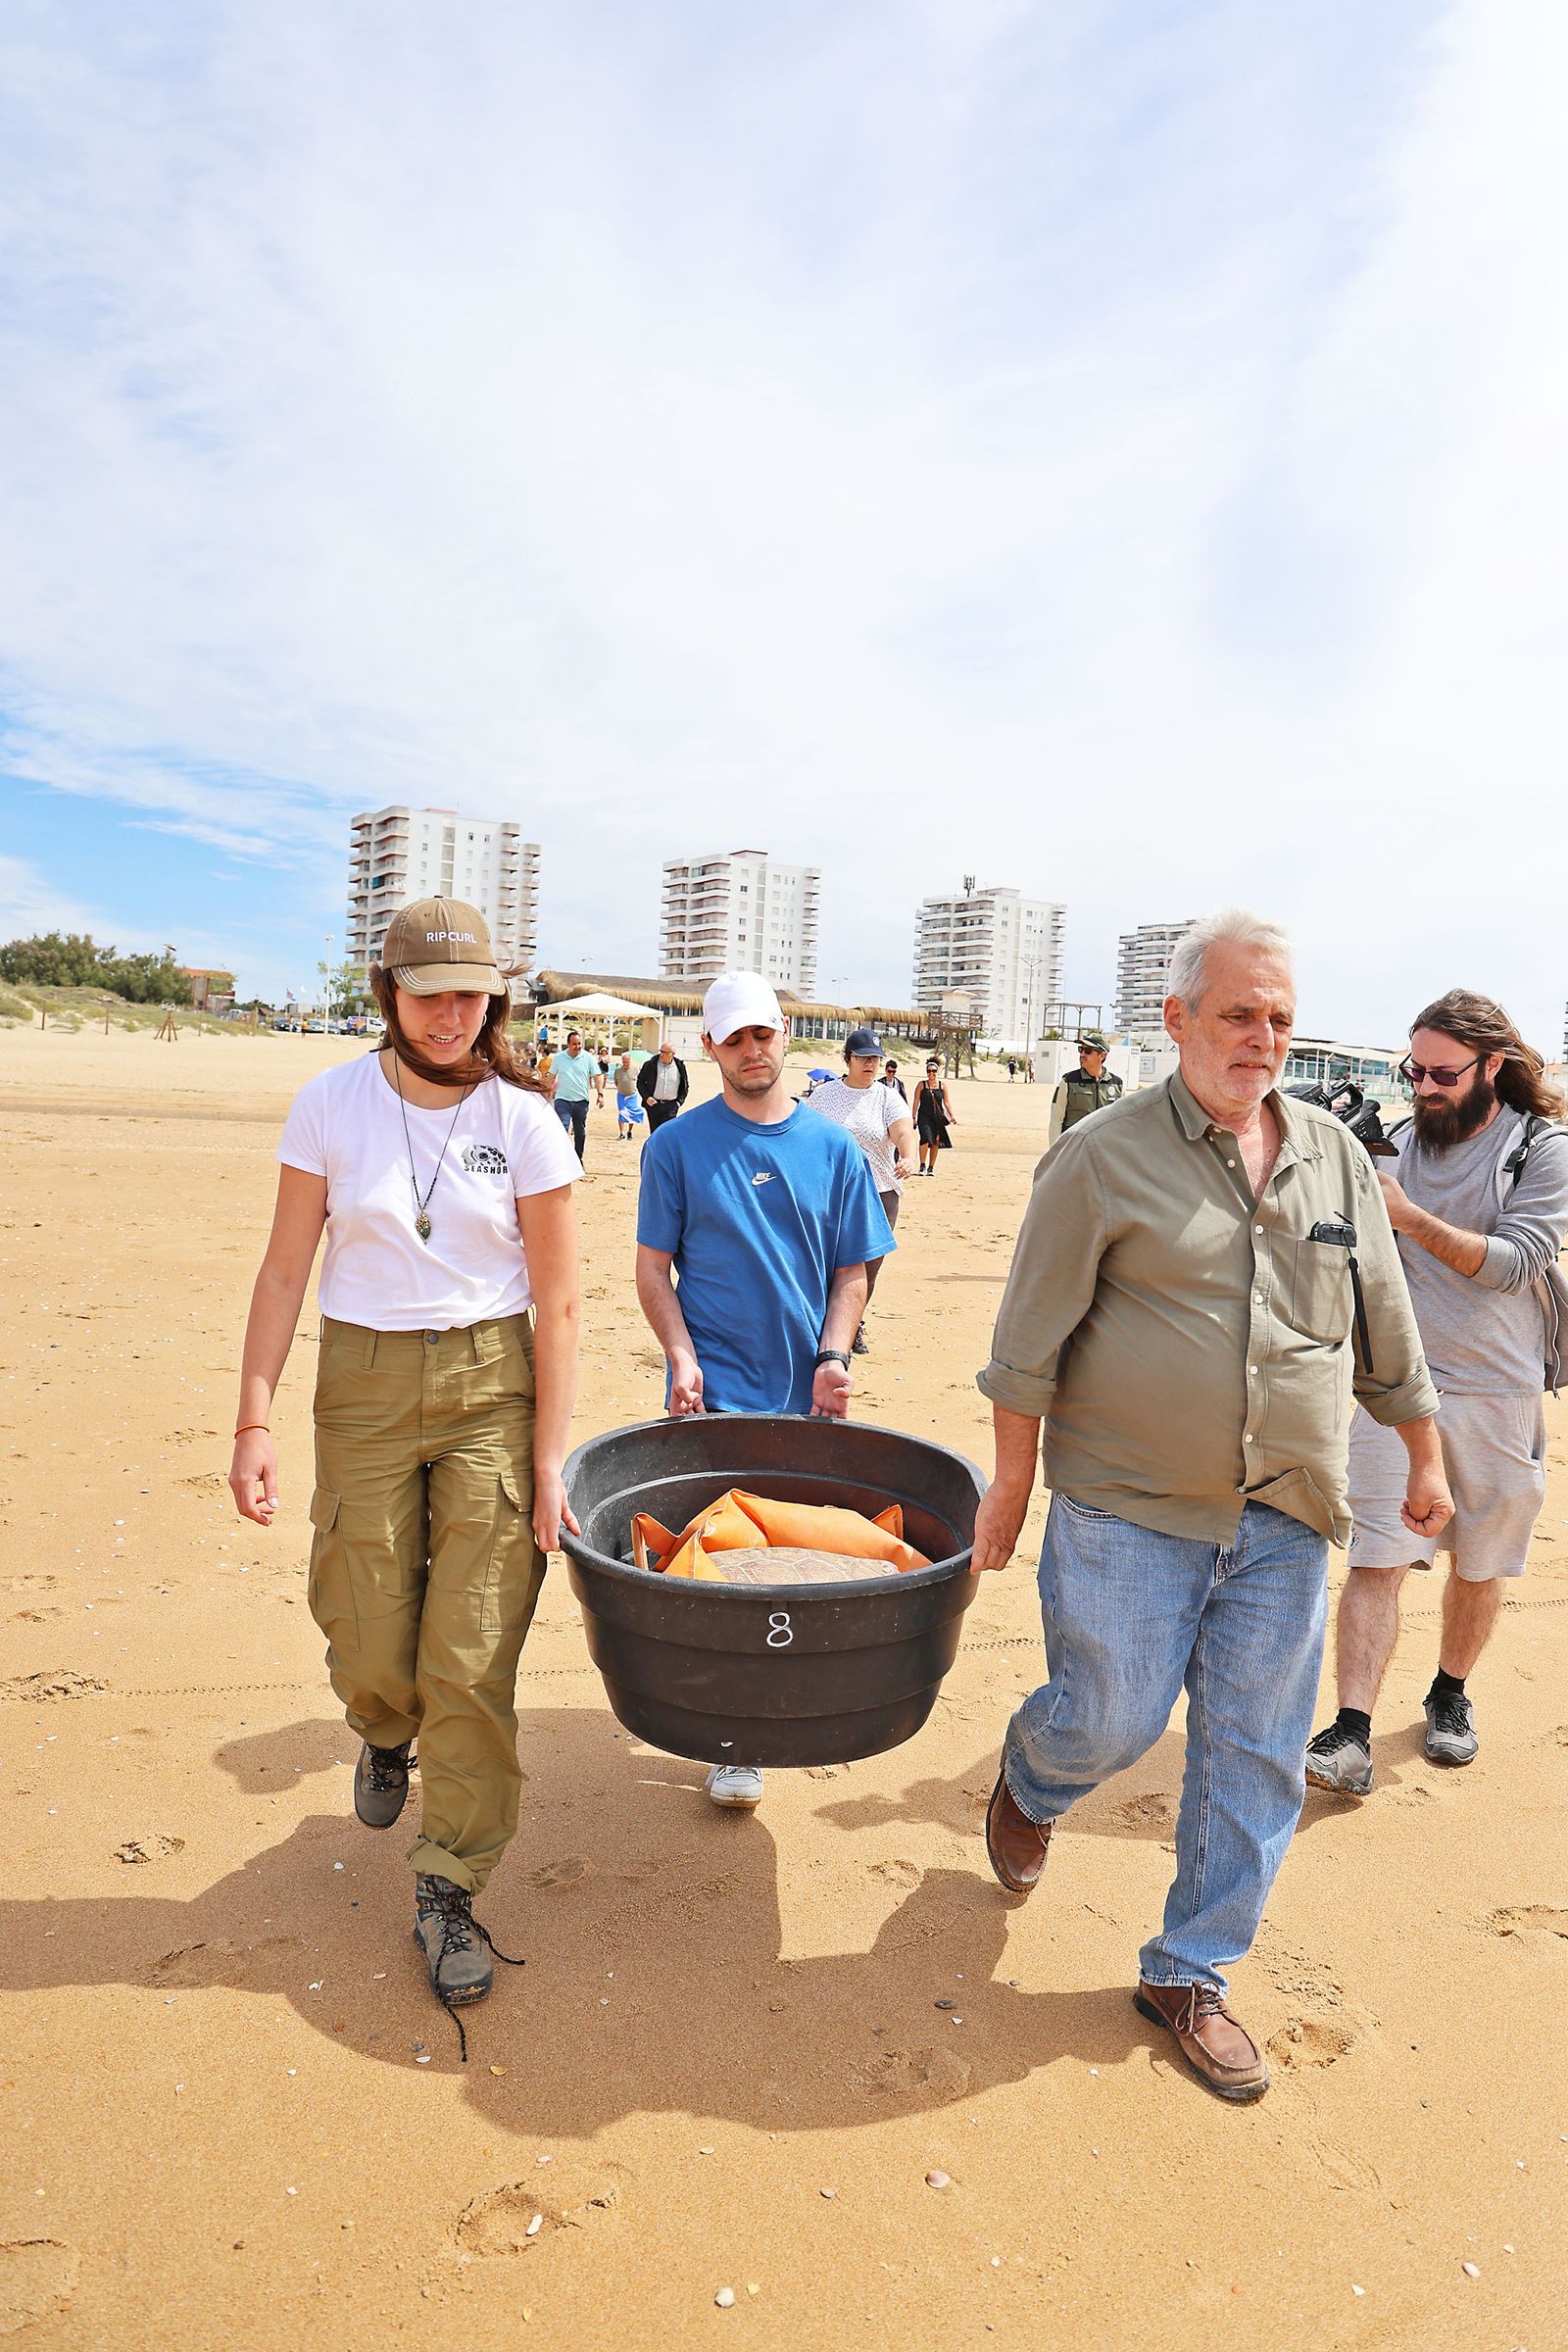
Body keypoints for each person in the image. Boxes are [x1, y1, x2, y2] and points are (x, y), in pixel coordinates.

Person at [971, 909, 1449, 2103]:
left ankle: (1189, 1973)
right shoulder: (1098, 1158)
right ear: (1176, 1019)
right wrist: (1010, 1489)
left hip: (1285, 1513)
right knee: (1111, 1718)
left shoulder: (1334, 1155)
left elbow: (1385, 1324)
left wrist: (1424, 1456)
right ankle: (1035, 1776)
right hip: (1127, 1508)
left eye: (1280, 1018)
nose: (1262, 1039)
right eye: (1238, 1014)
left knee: (1254, 1756)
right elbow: (1026, 1344)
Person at [225, 897, 582, 2034]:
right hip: (363, 1383)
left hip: (493, 1388)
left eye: (471, 996)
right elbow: (285, 1271)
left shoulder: (527, 1119)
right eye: (429, 995)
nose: (451, 1015)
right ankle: (383, 1730)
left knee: (471, 1655)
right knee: (368, 1620)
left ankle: (450, 1885)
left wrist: (551, 1459)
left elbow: (561, 1303)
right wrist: (252, 1422)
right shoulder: (329, 1103)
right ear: (389, 994)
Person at [635, 972, 895, 1811]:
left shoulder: (834, 1150)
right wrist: (680, 1356)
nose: (752, 1050)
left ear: (785, 1035)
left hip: (808, 1398)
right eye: (734, 1037)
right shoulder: (675, 1147)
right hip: (713, 1395)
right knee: (720, 1575)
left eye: (763, 1034)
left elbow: (852, 1272)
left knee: (790, 1568)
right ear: (710, 1046)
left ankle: (779, 1710)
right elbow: (652, 1271)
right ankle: (734, 1741)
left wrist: (834, 1354)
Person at [1305, 992, 1568, 1795]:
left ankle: (1450, 1693)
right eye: (1412, 1069)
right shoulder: (1386, 1144)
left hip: (1500, 1389)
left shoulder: (1541, 1150)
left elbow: (1517, 1263)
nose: (1422, 1087)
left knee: (1480, 1563)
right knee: (1378, 1557)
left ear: (1493, 1066)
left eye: (1442, 1074)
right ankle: (1351, 1728)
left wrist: (1409, 1217)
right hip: (1395, 1388)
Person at [804, 1026, 917, 1352]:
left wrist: (908, 1156)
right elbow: (804, 1135)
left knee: (868, 1266)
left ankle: (852, 1325)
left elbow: (903, 1132)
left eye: (875, 1059)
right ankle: (820, 1325)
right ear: (847, 1059)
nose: (870, 1064)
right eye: (863, 1058)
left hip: (879, 1192)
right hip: (831, 1192)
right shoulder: (824, 1095)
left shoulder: (887, 1097)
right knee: (826, 1262)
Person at [1047, 1029, 1123, 1146]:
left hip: (1103, 1148)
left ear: (1102, 1055)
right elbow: (1056, 1119)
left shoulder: (1117, 1085)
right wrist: (1055, 1151)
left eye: (1087, 1051)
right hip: (1074, 1148)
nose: (1082, 1054)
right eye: (1080, 1049)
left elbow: (1120, 1122)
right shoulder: (1068, 1081)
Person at [552, 1029, 596, 1163]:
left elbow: (597, 1075)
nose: (577, 1046)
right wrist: (545, 1093)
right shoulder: (558, 1058)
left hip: (581, 1101)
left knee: (579, 1131)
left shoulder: (588, 1057)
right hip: (562, 1099)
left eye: (579, 1043)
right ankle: (562, 1159)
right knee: (562, 1129)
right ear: (568, 1044)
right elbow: (551, 1077)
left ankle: (578, 1159)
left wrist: (600, 1093)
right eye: (574, 1044)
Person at [911, 1055, 957, 1174]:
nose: (931, 1073)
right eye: (929, 1071)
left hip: (937, 1117)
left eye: (934, 1071)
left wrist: (952, 1116)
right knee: (925, 1138)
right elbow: (916, 1101)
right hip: (924, 1116)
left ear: (937, 1071)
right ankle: (922, 1165)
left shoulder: (942, 1086)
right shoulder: (921, 1085)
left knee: (936, 1141)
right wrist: (914, 1117)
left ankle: (931, 1167)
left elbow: (946, 1102)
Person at [638, 1038, 689, 1134]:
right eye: (661, 1051)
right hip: (653, 1105)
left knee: (667, 1133)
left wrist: (679, 1102)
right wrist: (646, 1097)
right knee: (655, 1134)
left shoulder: (680, 1066)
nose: (662, 1054)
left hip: (671, 1106)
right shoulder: (650, 1065)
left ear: (672, 1054)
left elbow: (685, 1086)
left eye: (665, 1052)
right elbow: (640, 1082)